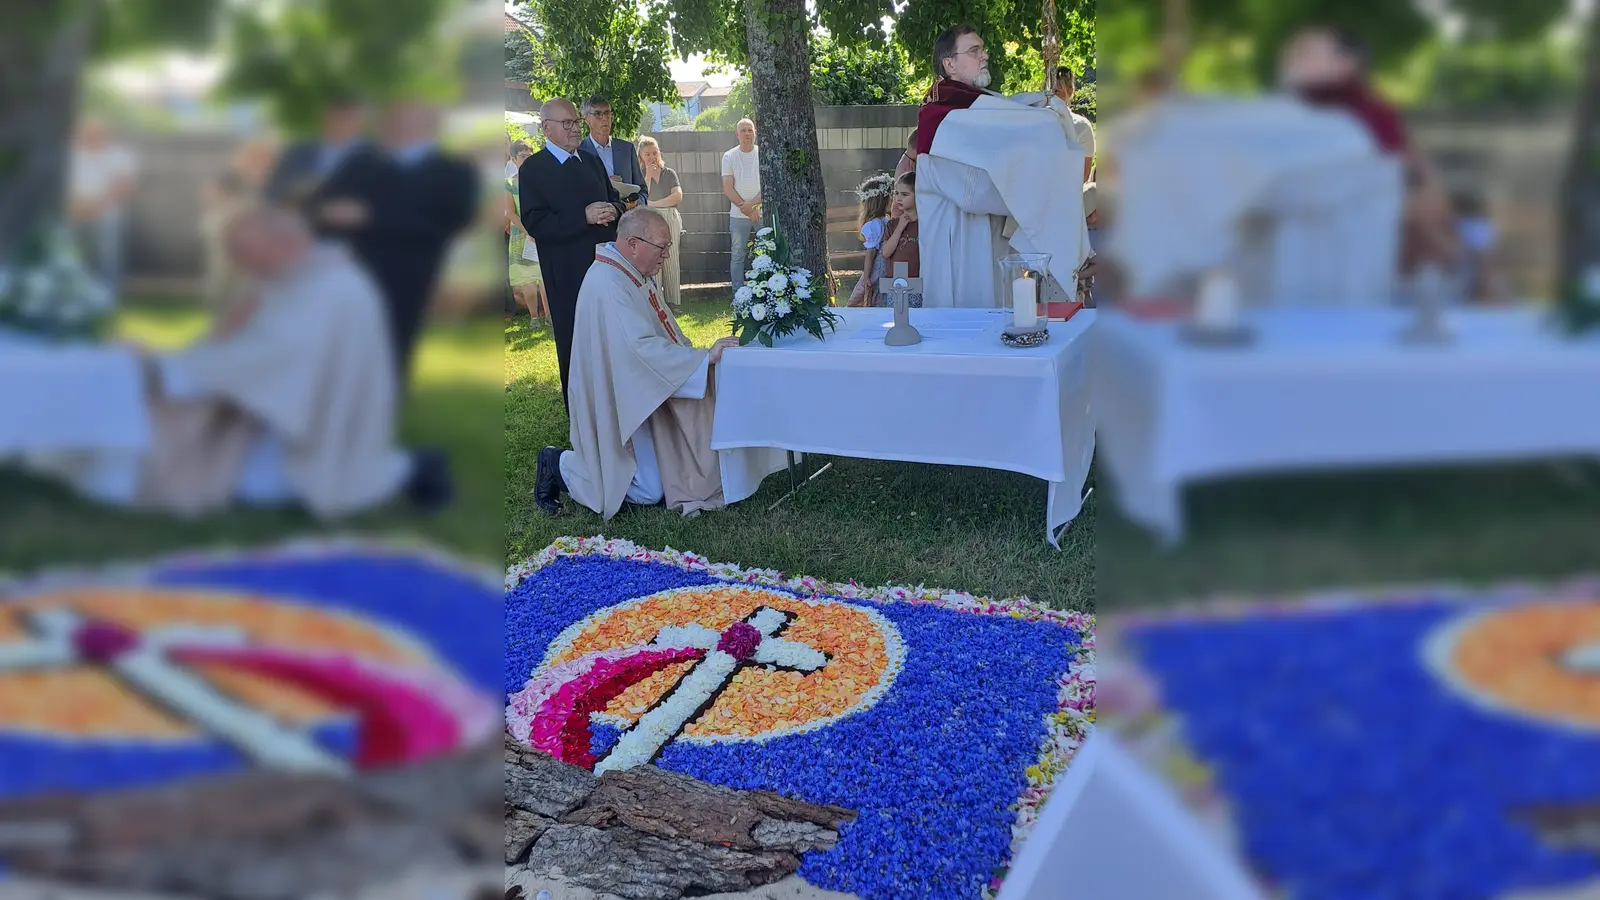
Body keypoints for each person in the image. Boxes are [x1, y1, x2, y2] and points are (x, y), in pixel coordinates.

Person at [34, 208, 449, 518]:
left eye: (243, 252)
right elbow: (246, 344)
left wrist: (166, 367)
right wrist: (190, 355)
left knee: (255, 485)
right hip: (274, 404)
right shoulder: (295, 276)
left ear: (284, 244)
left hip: (302, 426)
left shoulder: (330, 289)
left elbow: (271, 357)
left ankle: (414, 468)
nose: (238, 263)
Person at [533, 209, 742, 519]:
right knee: (645, 490)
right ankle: (558, 463)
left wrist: (690, 356)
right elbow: (639, 349)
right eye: (662, 247)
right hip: (616, 398)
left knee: (655, 484)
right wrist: (701, 358)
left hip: (634, 388)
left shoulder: (630, 273)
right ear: (633, 243)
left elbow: (660, 329)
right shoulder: (609, 283)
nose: (666, 256)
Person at [912, 26, 1091, 309]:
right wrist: (1042, 185)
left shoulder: (984, 106)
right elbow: (975, 193)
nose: (984, 56)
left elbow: (1016, 124)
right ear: (950, 64)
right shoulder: (940, 119)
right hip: (960, 252)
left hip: (993, 245)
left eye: (983, 49)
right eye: (974, 51)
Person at [307, 101, 480, 386]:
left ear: (431, 127)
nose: (398, 127)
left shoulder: (453, 171)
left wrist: (372, 217)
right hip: (348, 270)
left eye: (409, 121)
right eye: (395, 121)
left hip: (409, 273)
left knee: (392, 348)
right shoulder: (362, 162)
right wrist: (326, 213)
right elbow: (322, 204)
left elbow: (450, 221)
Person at [1280, 25, 1459, 275]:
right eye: (1293, 53)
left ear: (1345, 63)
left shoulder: (1372, 113)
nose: (1291, 60)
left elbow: (1408, 168)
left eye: (1305, 53)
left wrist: (1423, 196)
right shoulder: (1285, 114)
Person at [519, 98, 627, 412]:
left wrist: (614, 209)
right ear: (546, 128)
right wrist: (583, 217)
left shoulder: (591, 162)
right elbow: (536, 222)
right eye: (566, 123)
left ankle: (616, 405)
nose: (574, 129)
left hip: (604, 267)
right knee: (575, 340)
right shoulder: (534, 169)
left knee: (610, 336)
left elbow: (615, 199)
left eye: (576, 122)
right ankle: (580, 412)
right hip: (565, 272)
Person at [199, 136, 278, 315]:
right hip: (228, 240)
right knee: (225, 286)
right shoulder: (230, 177)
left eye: (263, 156)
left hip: (260, 245)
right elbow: (212, 198)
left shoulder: (273, 180)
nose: (259, 160)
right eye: (253, 155)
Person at [68, 118, 139, 301]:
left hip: (107, 213)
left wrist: (96, 208)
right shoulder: (70, 155)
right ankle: (74, 296)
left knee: (107, 256)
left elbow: (124, 188)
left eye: (96, 132)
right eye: (86, 132)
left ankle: (107, 297)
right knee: (69, 254)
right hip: (73, 213)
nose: (91, 136)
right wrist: (75, 208)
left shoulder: (120, 156)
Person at [263, 96, 367, 206]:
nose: (343, 123)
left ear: (360, 122)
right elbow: (273, 192)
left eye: (350, 118)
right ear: (325, 118)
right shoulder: (297, 152)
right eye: (339, 117)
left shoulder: (370, 157)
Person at [637, 135, 685, 308]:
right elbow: (643, 197)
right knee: (653, 256)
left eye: (654, 153)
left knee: (672, 258)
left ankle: (674, 301)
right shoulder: (640, 175)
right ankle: (657, 300)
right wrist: (648, 176)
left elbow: (677, 196)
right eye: (647, 154)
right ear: (641, 156)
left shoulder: (669, 173)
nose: (652, 157)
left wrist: (654, 204)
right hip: (650, 219)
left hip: (670, 216)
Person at [579, 97, 648, 207]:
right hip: (597, 215)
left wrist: (633, 205)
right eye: (598, 114)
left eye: (607, 113)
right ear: (586, 120)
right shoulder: (578, 151)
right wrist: (606, 183)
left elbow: (642, 190)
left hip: (627, 215)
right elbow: (576, 193)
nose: (604, 118)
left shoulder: (627, 149)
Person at [505, 141, 547, 323]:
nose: (527, 159)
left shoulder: (541, 181)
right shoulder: (508, 183)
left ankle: (549, 316)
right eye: (523, 156)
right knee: (527, 278)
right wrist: (529, 232)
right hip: (521, 235)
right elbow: (511, 213)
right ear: (513, 159)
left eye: (530, 156)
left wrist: (538, 230)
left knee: (544, 275)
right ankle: (534, 317)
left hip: (541, 232)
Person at [722, 119, 762, 290]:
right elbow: (728, 188)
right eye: (743, 130)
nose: (747, 134)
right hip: (738, 215)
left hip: (761, 213)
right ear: (737, 134)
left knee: (766, 253)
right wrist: (747, 210)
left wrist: (752, 205)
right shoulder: (729, 156)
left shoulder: (763, 153)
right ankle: (738, 295)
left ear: (755, 133)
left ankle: (765, 293)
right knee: (738, 255)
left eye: (750, 130)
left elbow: (769, 185)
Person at [848, 173, 894, 307]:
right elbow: (872, 251)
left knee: (876, 291)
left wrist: (867, 275)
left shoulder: (879, 222)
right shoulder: (879, 223)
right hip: (882, 264)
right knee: (875, 292)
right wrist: (867, 276)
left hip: (881, 264)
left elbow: (873, 251)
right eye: (890, 197)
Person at [879, 172, 923, 308]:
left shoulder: (925, 225)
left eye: (905, 194)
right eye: (896, 193)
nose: (898, 198)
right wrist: (900, 228)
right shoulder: (892, 225)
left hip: (918, 283)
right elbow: (886, 253)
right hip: (896, 284)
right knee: (897, 315)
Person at [1050, 66, 1096, 184]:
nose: (1051, 96)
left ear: (1069, 91)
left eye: (1057, 91)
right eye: (1049, 92)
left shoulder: (1082, 126)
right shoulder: (1037, 121)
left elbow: (1084, 175)